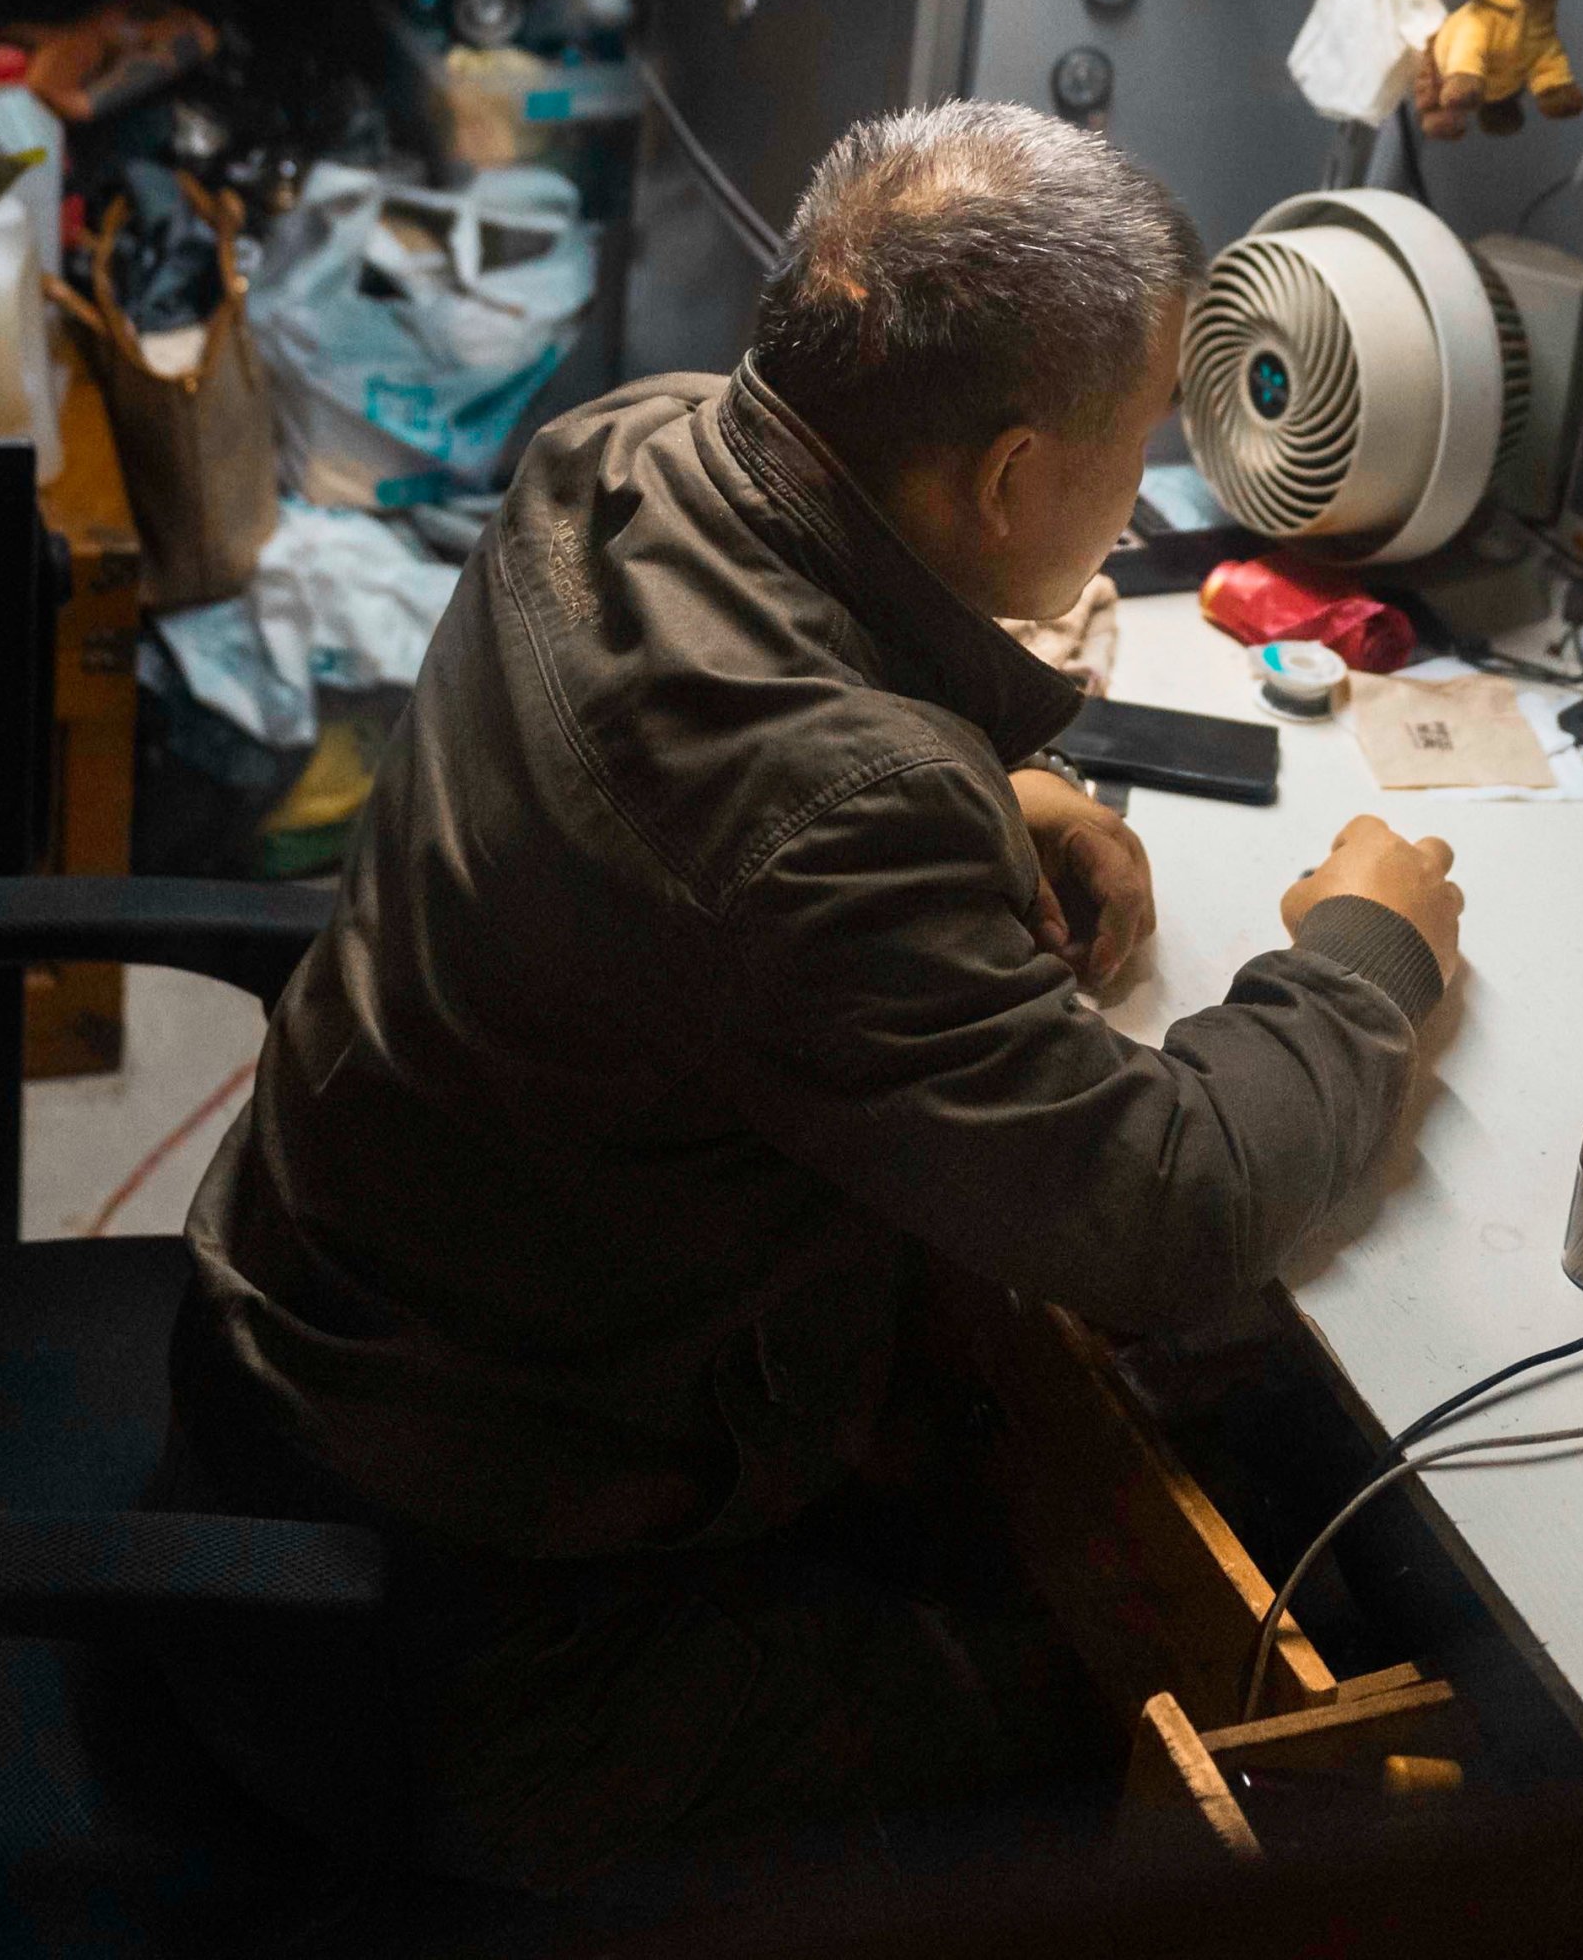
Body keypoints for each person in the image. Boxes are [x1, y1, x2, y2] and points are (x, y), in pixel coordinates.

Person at [162, 101, 1465, 1895]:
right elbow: (1174, 1209)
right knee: (1115, 1727)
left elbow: (692, 788)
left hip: (319, 1378)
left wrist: (981, 783)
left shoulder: (628, 449)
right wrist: (1364, 956)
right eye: (1147, 425)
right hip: (475, 1634)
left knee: (995, 1456)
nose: (1159, 460)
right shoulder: (827, 819)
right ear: (1012, 483)